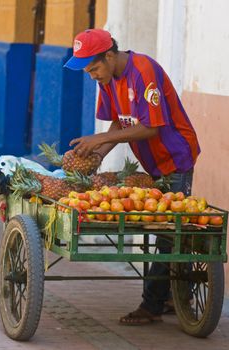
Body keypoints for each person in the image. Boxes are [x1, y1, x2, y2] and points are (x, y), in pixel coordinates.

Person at [64, 28, 200, 325]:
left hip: (175, 156)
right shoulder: (109, 79)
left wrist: (97, 140)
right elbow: (118, 122)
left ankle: (152, 305)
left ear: (110, 55)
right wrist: (98, 153)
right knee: (159, 228)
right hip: (151, 162)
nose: (92, 76)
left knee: (168, 232)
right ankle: (169, 297)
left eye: (94, 68)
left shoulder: (143, 71)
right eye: (87, 71)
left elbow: (151, 127)